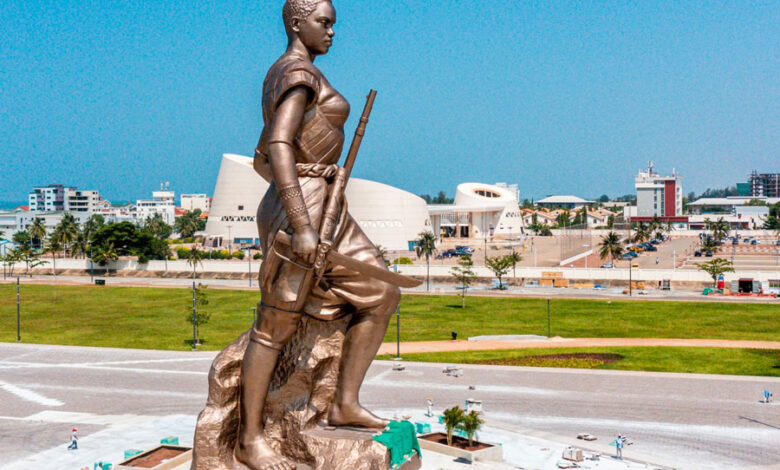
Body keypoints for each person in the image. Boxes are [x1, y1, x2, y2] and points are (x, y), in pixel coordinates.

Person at [235, 1, 400, 469]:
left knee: (382, 292)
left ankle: (343, 403)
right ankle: (249, 440)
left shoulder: (294, 72)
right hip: (302, 208)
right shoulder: (297, 74)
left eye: (333, 23)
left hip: (326, 201)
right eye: (323, 22)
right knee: (273, 328)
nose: (332, 31)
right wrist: (301, 222)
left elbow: (259, 156)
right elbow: (277, 146)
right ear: (296, 22)